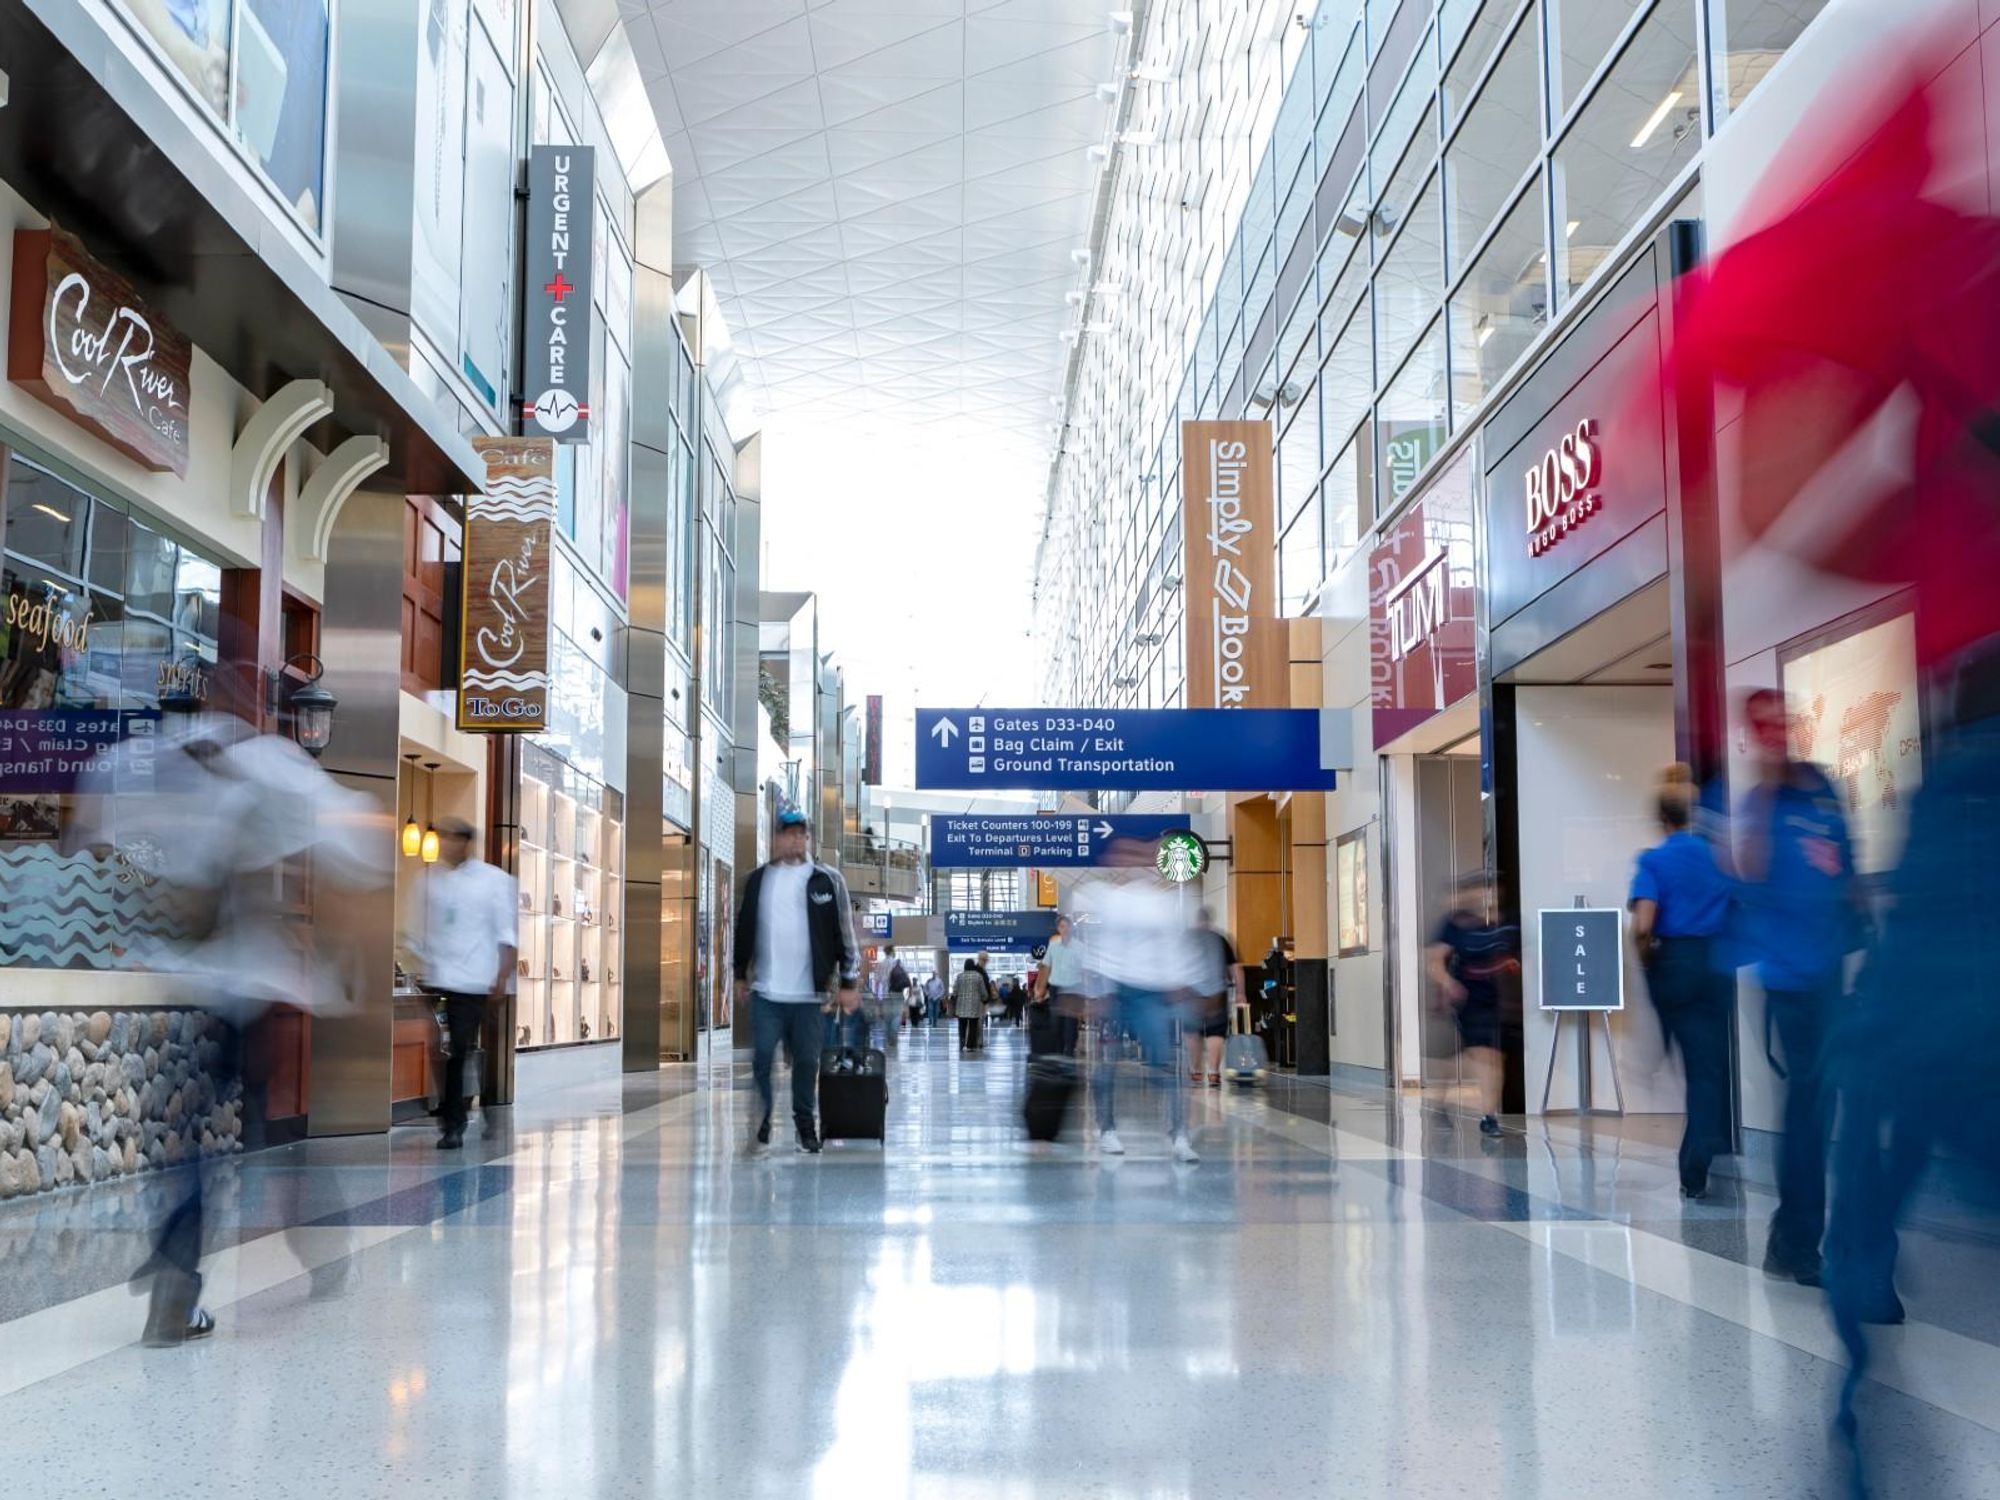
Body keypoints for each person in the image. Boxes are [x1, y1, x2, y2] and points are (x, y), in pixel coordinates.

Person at [1737, 688, 1861, 1286]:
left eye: (1783, 723)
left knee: (1830, 1104)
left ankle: (1802, 1237)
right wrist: (1763, 790)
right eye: (1765, 728)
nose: (1778, 735)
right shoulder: (1760, 802)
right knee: (1811, 1107)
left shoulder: (1823, 786)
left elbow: (1849, 868)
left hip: (1832, 970)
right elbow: (1750, 871)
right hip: (1788, 978)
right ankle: (1796, 1239)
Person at [1628, 771, 1736, 1199]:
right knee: (1707, 1068)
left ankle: (1697, 1154)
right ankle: (1703, 1146)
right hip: (1715, 962)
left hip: (1674, 964)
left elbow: (1644, 924)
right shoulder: (1715, 858)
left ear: (1661, 819)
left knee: (1686, 1057)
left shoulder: (1653, 861)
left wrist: (1647, 961)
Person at [733, 808, 862, 1155]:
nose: (795, 839)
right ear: (776, 838)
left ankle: (805, 1123)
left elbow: (844, 934)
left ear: (808, 838)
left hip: (809, 995)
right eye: (788, 833)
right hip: (767, 993)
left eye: (801, 834)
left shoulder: (826, 879)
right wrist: (738, 973)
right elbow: (744, 929)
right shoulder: (758, 880)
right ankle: (763, 1116)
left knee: (807, 1063)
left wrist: (849, 981)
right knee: (761, 1056)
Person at [1072, 836, 1201, 1163]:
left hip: (1152, 991)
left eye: (1139, 856)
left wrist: (1180, 982)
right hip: (1116, 989)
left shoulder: (1162, 902)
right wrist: (1095, 992)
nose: (1132, 864)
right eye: (1124, 857)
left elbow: (1173, 945)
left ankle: (1179, 1135)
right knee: (1108, 1064)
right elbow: (1095, 946)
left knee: (1165, 1063)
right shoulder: (1105, 899)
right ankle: (1107, 1129)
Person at [418, 816, 518, 1152]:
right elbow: (427, 930)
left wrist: (501, 979)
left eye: (451, 838)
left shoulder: (493, 881)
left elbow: (506, 933)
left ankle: (465, 1119)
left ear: (465, 842)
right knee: (445, 1051)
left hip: (477, 982)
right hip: (442, 981)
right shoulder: (433, 881)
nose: (445, 845)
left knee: (462, 1048)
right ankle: (452, 1120)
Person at [1426, 871, 1517, 1137]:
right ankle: (1488, 1117)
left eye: (1491, 891)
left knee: (1490, 1057)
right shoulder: (1455, 925)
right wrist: (1449, 984)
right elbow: (1434, 959)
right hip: (1467, 999)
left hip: (1500, 1000)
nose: (1486, 896)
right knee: (1484, 1055)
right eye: (1482, 891)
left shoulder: (1506, 923)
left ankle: (1485, 1113)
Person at [1186, 908, 1241, 1088]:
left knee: (1193, 1033)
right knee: (1215, 1033)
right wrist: (1241, 992)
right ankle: (1214, 1072)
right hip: (1217, 992)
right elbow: (1235, 969)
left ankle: (1195, 1070)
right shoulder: (1221, 939)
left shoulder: (1187, 938)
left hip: (1192, 993)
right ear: (1210, 921)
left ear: (1196, 920)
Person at [953, 957, 991, 1052]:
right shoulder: (978, 976)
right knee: (973, 1025)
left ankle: (962, 1040)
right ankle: (970, 1045)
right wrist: (985, 998)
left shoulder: (959, 976)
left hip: (961, 1005)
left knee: (962, 1024)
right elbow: (983, 992)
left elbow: (955, 991)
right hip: (974, 1005)